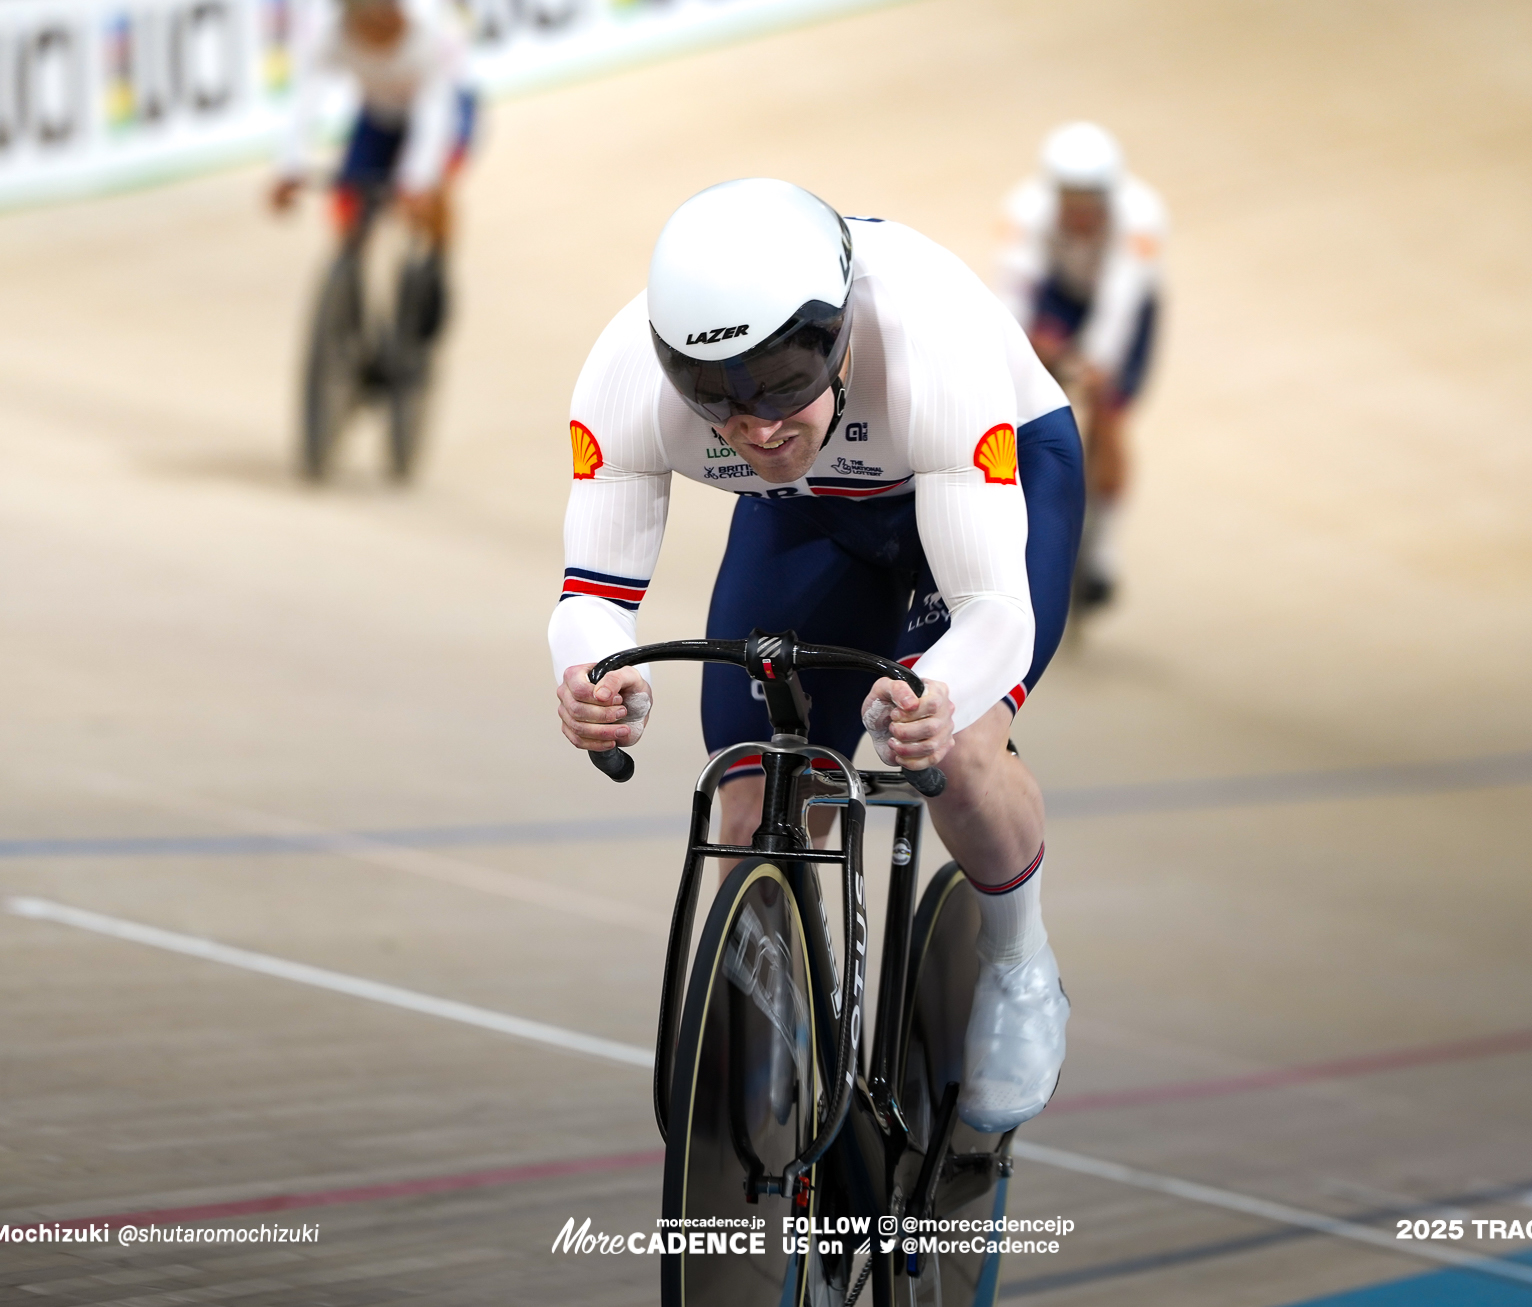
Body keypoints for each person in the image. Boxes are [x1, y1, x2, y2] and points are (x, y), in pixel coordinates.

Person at [550, 180, 1082, 1134]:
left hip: (972, 488)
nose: (756, 426)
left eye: (784, 383)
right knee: (753, 797)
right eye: (717, 395)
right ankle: (779, 1048)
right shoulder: (624, 374)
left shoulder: (931, 340)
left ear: (837, 340)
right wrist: (593, 674)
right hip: (812, 513)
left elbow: (997, 610)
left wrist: (941, 693)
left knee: (954, 753)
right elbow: (590, 599)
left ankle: (1018, 962)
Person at [997, 121, 1167, 612]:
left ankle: (1104, 551)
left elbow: (1120, 301)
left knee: (1110, 409)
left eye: (1090, 207)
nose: (1080, 216)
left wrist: (1097, 365)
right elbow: (1014, 290)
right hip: (1059, 294)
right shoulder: (1025, 209)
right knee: (1022, 388)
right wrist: (1027, 351)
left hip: (1122, 301)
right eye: (1071, 206)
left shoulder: (1142, 216)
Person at [268, 0, 475, 335]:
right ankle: (348, 292)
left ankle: (437, 263)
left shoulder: (426, 30)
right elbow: (306, 98)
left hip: (447, 106)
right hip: (381, 115)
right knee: (349, 208)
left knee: (432, 190)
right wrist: (289, 167)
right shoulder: (332, 35)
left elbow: (435, 114)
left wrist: (418, 182)